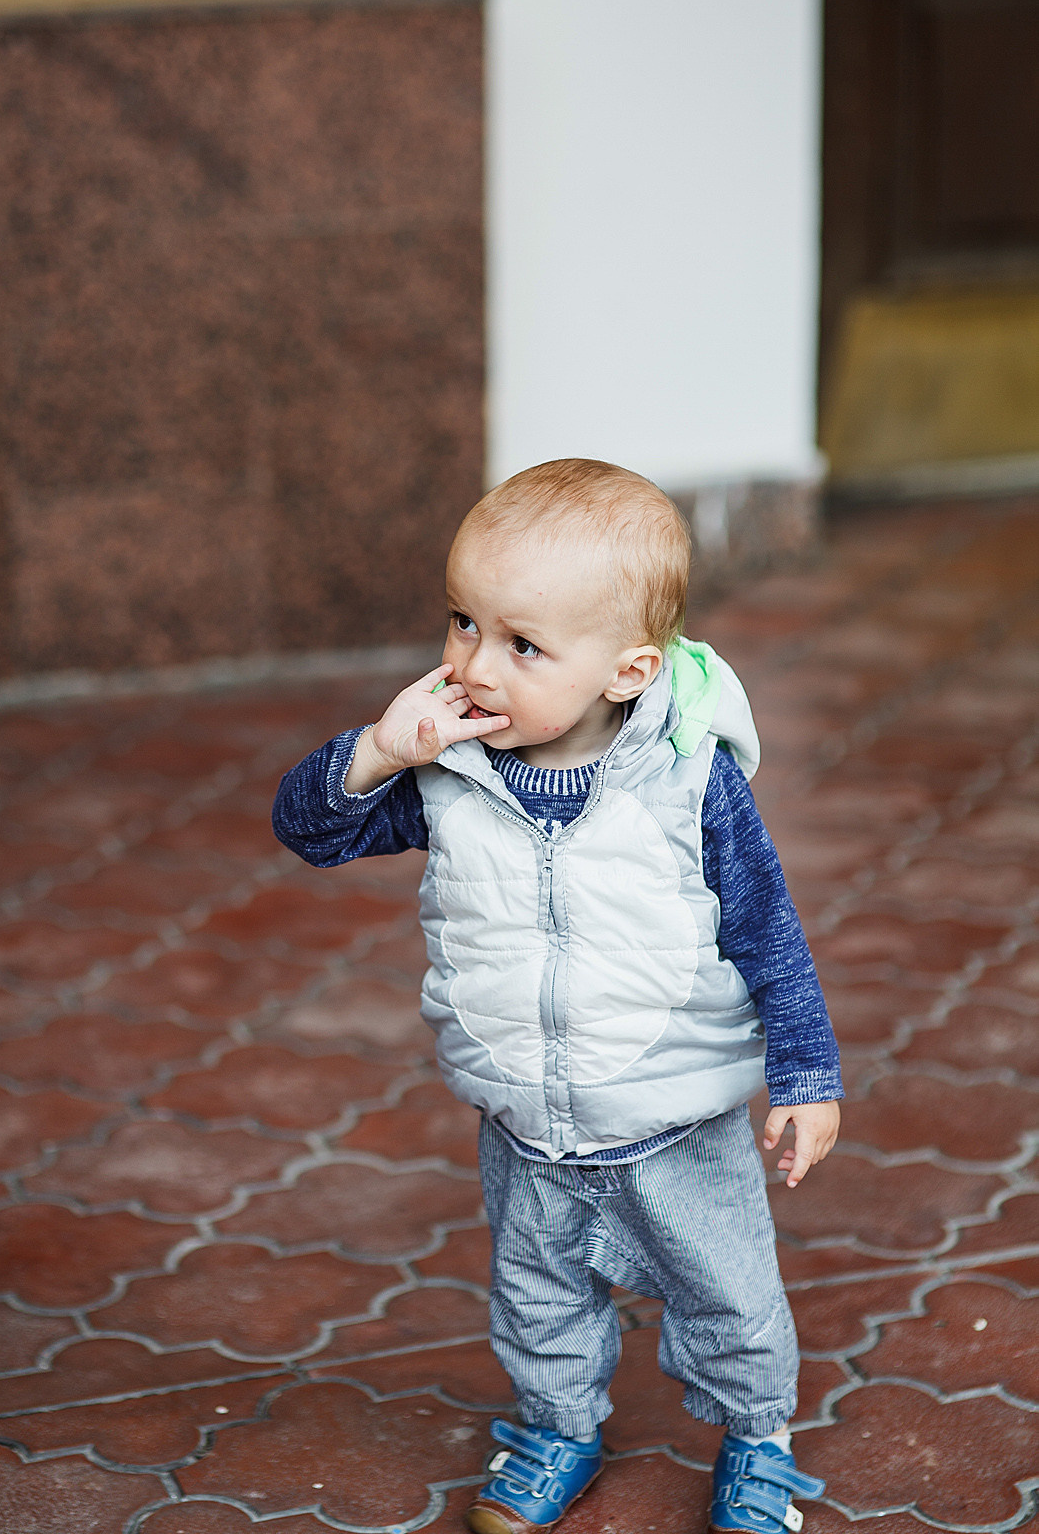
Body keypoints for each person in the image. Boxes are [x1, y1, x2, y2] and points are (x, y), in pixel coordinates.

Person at [272, 459, 842, 1534]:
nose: (475, 665)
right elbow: (312, 831)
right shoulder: (449, 770)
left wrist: (806, 1072)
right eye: (461, 623)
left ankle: (757, 1437)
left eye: (521, 644)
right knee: (538, 1300)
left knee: (728, 1301)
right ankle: (556, 1425)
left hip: (672, 1117)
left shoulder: (689, 778)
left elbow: (766, 928)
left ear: (626, 670)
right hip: (524, 1117)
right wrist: (378, 751)